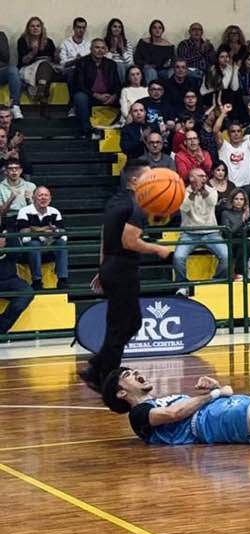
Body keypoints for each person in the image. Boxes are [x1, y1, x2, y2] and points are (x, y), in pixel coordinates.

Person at [77, 163, 175, 392]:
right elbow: (129, 241)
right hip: (122, 269)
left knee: (130, 323)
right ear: (134, 182)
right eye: (148, 177)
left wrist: (102, 268)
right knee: (120, 327)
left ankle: (97, 367)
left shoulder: (115, 201)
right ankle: (106, 378)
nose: (154, 180)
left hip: (112, 266)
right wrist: (158, 249)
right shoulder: (136, 205)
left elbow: (104, 235)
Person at [103, 368, 250, 449]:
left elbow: (199, 401)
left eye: (133, 371)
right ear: (122, 393)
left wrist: (215, 387)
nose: (134, 373)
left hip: (221, 406)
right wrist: (213, 394)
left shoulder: (163, 397)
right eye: (127, 376)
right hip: (207, 422)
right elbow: (174, 414)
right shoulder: (138, 414)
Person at [172, 169, 227, 286]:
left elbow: (212, 202)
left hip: (211, 232)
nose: (204, 178)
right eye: (200, 176)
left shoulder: (212, 190)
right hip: (189, 234)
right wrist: (193, 193)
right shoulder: (183, 192)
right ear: (192, 178)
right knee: (178, 257)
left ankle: (217, 281)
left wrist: (201, 191)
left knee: (226, 255)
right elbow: (184, 208)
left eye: (205, 176)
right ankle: (182, 285)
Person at [16, 186, 66, 287]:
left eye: (46, 195)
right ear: (34, 198)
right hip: (29, 248)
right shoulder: (24, 211)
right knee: (34, 244)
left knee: (61, 243)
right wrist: (44, 229)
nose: (43, 198)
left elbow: (62, 231)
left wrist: (53, 230)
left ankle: (62, 279)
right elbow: (23, 231)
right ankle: (37, 281)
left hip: (49, 245)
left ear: (50, 198)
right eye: (40, 195)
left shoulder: (55, 212)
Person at [70, 38, 120, 136]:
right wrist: (96, 95)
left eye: (103, 48)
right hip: (90, 96)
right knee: (80, 97)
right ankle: (87, 130)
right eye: (97, 47)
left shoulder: (111, 64)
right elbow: (79, 85)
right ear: (91, 49)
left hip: (108, 96)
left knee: (125, 95)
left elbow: (117, 84)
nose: (100, 50)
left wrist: (114, 96)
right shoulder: (82, 63)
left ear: (106, 50)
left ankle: (119, 128)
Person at [0, 220, 33, 337]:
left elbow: (18, 256)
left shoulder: (9, 232)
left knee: (26, 292)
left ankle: (1, 327)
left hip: (10, 279)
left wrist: (4, 248)